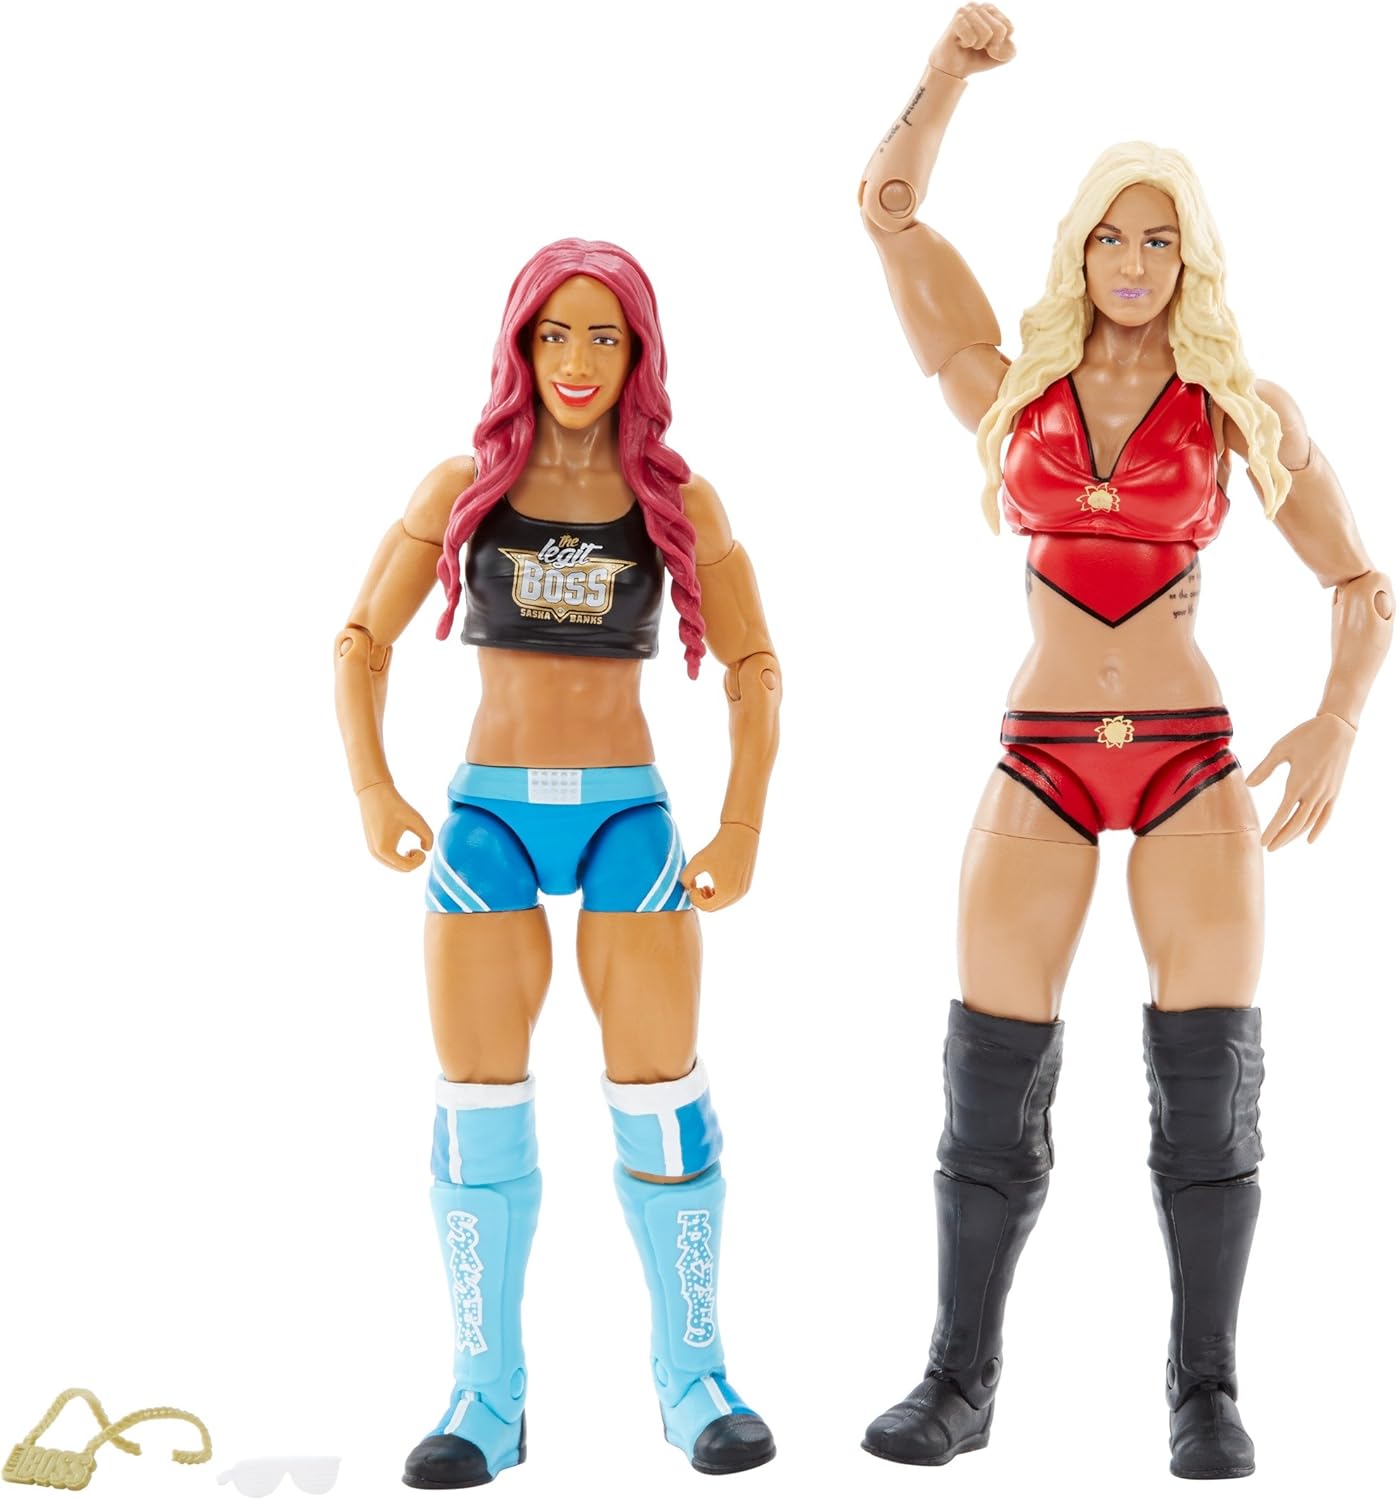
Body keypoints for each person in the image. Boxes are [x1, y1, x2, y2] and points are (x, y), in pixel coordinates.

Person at [856, 5, 1391, 1481]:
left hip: (1187, 764)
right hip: (1038, 755)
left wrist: (1338, 720)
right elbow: (887, 214)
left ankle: (1205, 1392)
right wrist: (945, 77)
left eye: (1160, 239)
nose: (1135, 262)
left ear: (1192, 258)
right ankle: (956, 1380)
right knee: (988, 1083)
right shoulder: (1008, 392)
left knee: (1208, 1097)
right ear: (1077, 250)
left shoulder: (1236, 412)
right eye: (1111, 236)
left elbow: (1362, 580)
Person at [333, 239, 781, 1487]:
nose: (577, 360)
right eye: (554, 334)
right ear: (519, 346)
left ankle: (695, 1382)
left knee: (662, 1093)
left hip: (626, 818)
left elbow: (755, 667)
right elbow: (360, 639)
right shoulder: (461, 487)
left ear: (639, 353)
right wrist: (372, 789)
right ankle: (485, 1398)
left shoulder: (675, 500)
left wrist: (742, 823)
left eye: (603, 336)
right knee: (477, 1104)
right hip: (489, 825)